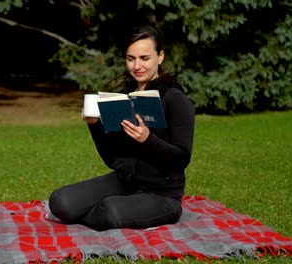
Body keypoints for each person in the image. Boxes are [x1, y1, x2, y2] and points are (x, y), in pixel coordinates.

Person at [48, 24, 195, 231]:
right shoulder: (123, 97)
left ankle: (94, 215)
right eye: (130, 58)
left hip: (162, 194)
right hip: (124, 183)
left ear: (160, 57)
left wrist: (148, 140)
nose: (137, 66)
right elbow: (113, 158)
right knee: (60, 201)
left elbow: (182, 158)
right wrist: (94, 125)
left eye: (145, 58)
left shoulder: (175, 99)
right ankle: (94, 213)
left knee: (109, 210)